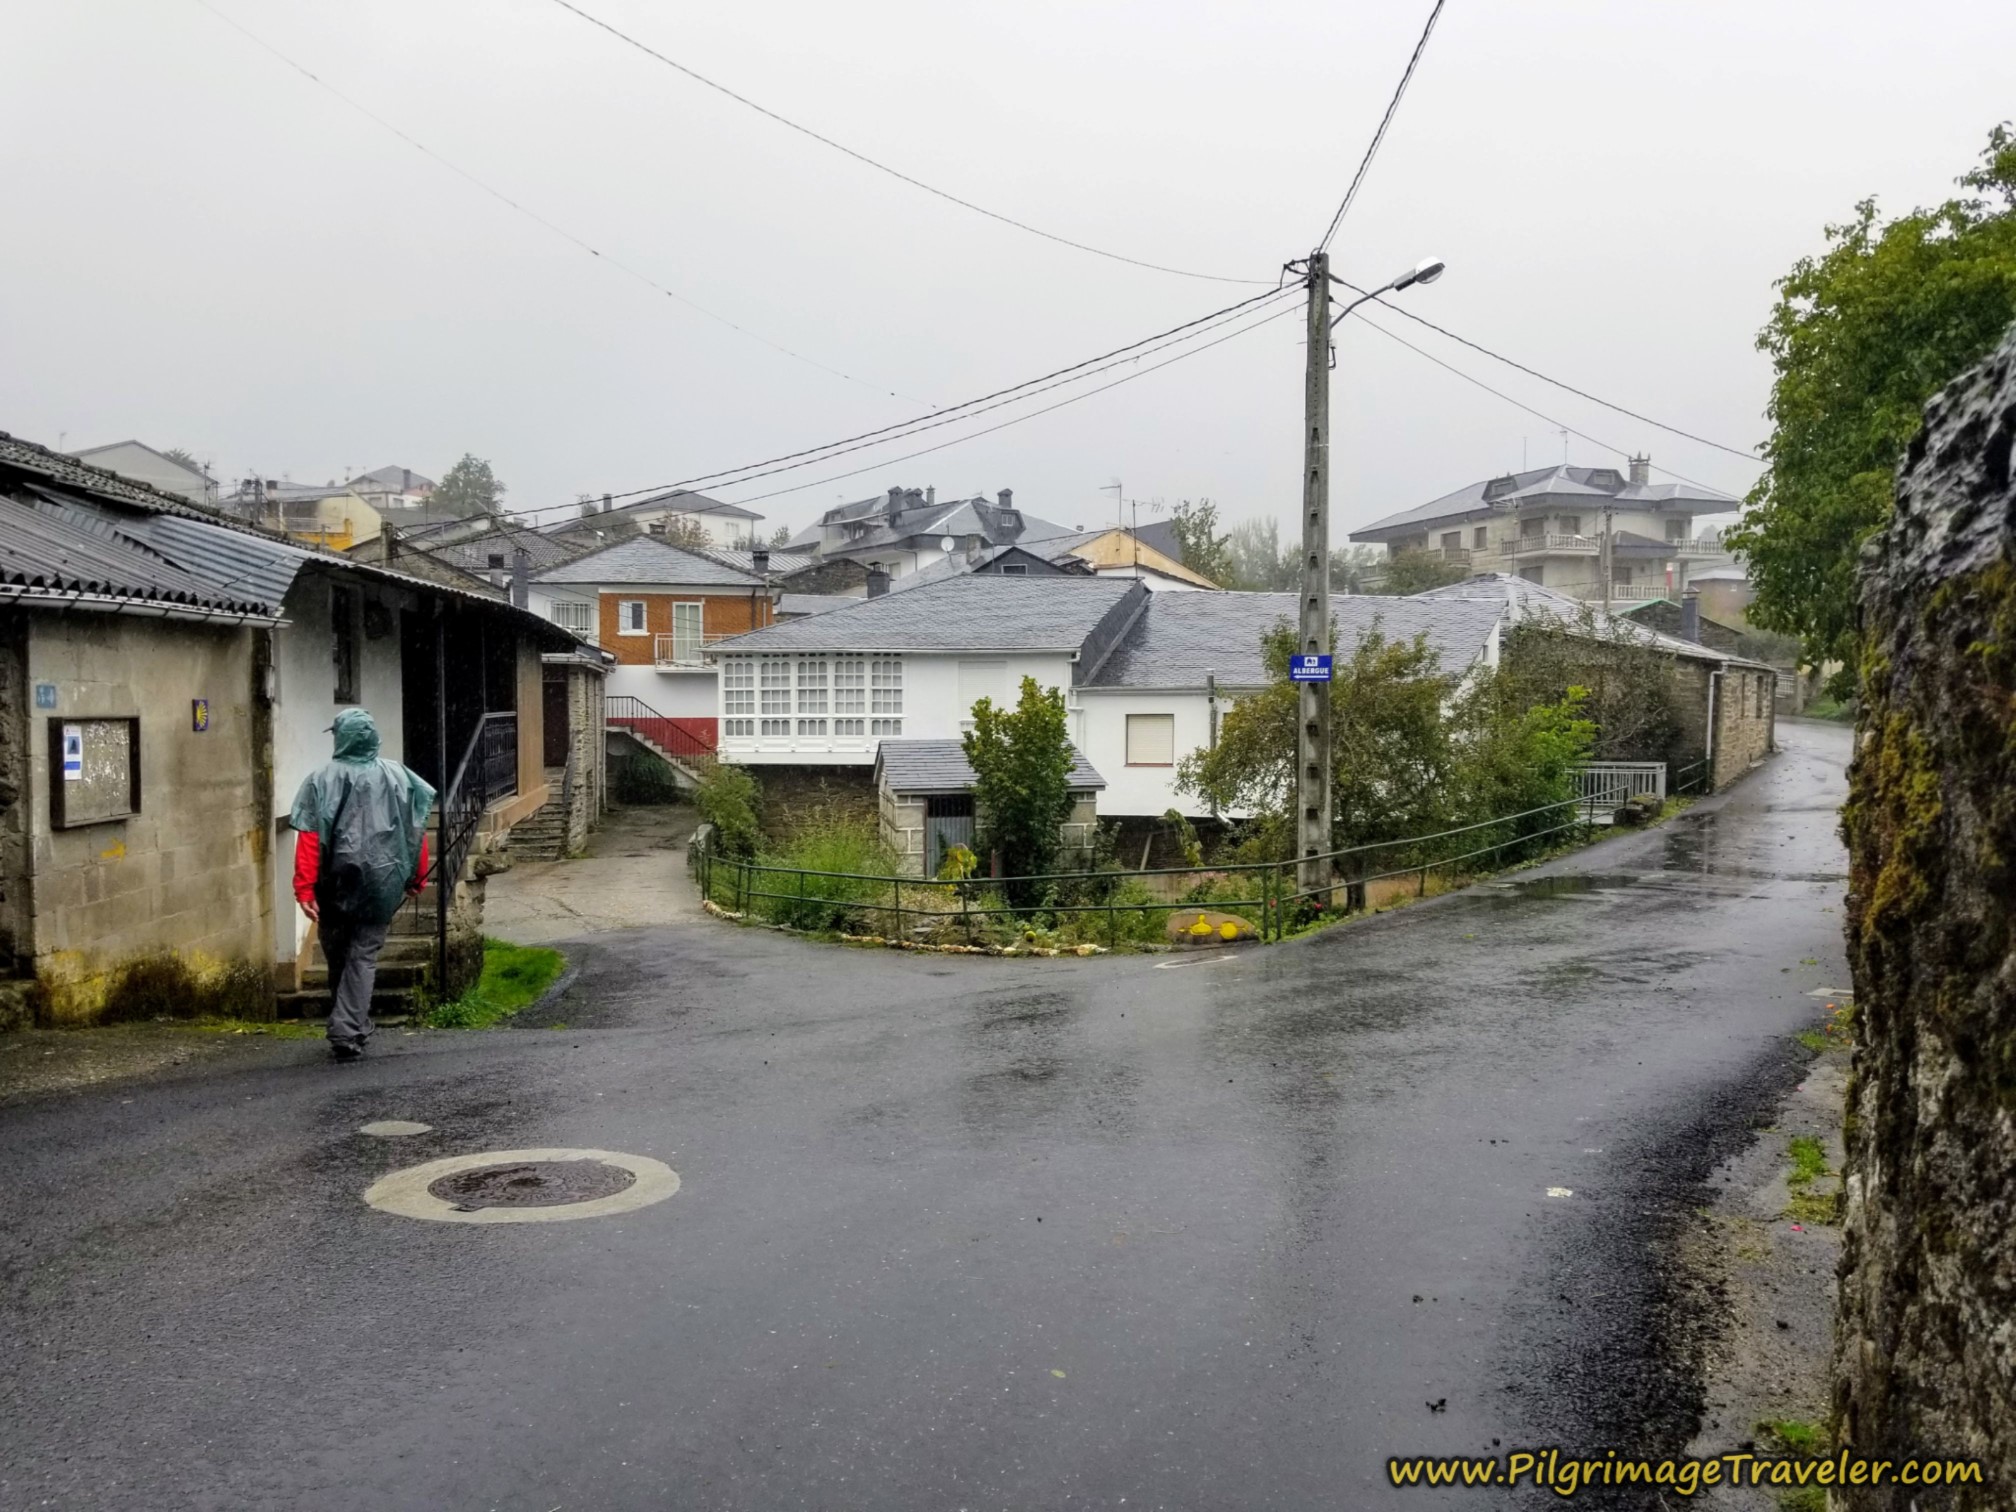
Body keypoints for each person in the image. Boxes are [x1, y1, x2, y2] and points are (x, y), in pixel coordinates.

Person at [291, 708, 436, 1061]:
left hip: (335, 882)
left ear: (341, 737)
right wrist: (418, 874)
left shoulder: (319, 780)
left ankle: (346, 1027)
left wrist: (304, 888)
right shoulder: (400, 777)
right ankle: (352, 1024)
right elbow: (415, 828)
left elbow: (310, 837)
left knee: (341, 954)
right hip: (382, 881)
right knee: (362, 955)